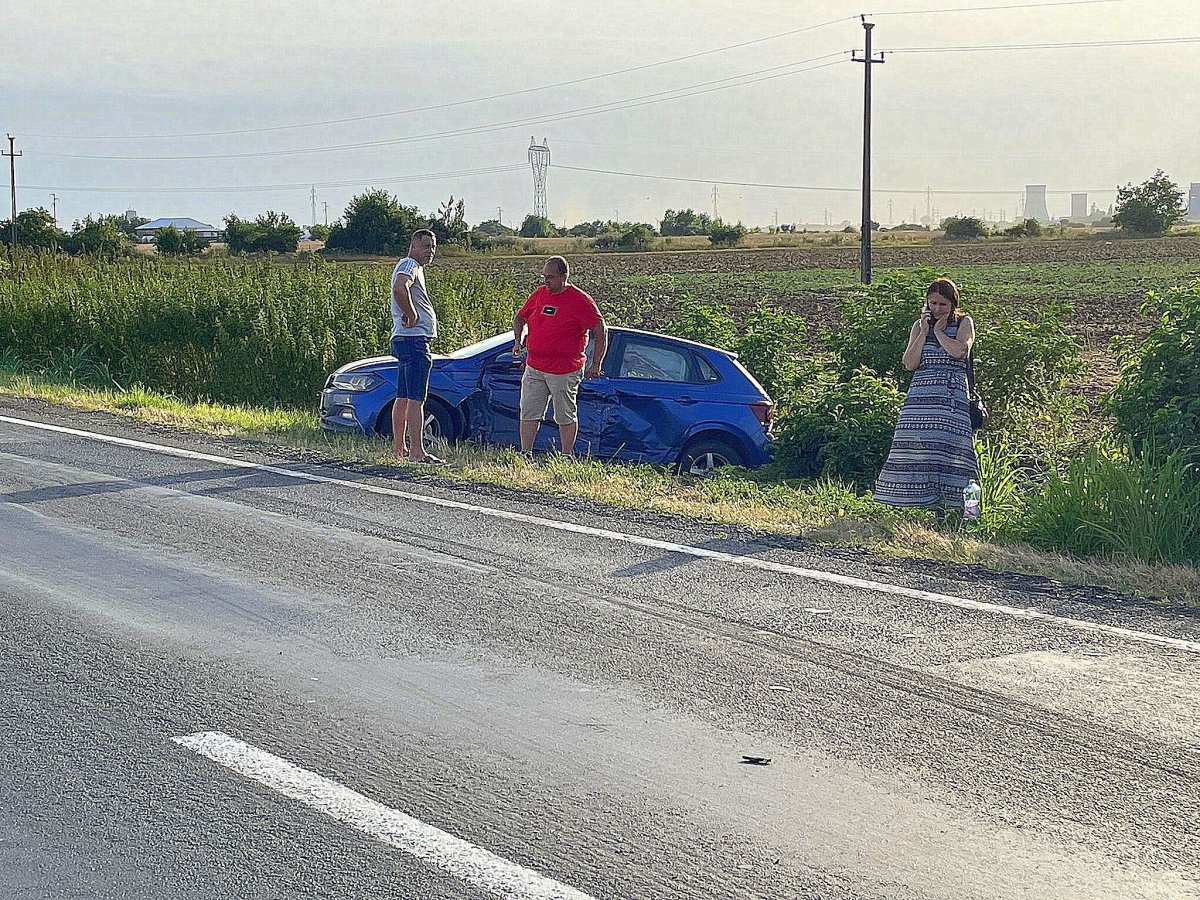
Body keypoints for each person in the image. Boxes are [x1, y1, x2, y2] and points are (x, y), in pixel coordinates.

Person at [874, 277, 978, 512]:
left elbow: (959, 351)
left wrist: (940, 333)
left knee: (955, 452)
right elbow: (909, 363)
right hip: (920, 400)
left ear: (952, 304)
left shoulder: (964, 322)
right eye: (932, 303)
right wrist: (924, 333)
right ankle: (923, 506)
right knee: (916, 452)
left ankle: (965, 511)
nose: (937, 309)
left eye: (942, 304)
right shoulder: (919, 326)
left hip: (951, 398)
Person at [512, 256, 607, 456]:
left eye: (551, 277)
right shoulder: (539, 294)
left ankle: (566, 455)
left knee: (564, 414)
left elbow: (600, 330)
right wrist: (518, 342)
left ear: (564, 276)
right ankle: (525, 452)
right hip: (535, 366)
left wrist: (595, 363)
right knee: (529, 411)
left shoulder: (580, 300)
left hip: (565, 369)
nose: (546, 281)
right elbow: (520, 318)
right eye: (544, 277)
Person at [389, 228, 443, 464]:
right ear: (413, 245)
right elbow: (400, 288)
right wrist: (412, 315)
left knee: (402, 396)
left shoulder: (413, 266)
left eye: (432, 247)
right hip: (414, 340)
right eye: (425, 246)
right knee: (416, 398)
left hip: (404, 339)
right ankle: (417, 451)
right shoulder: (409, 265)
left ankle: (399, 448)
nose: (430, 251)